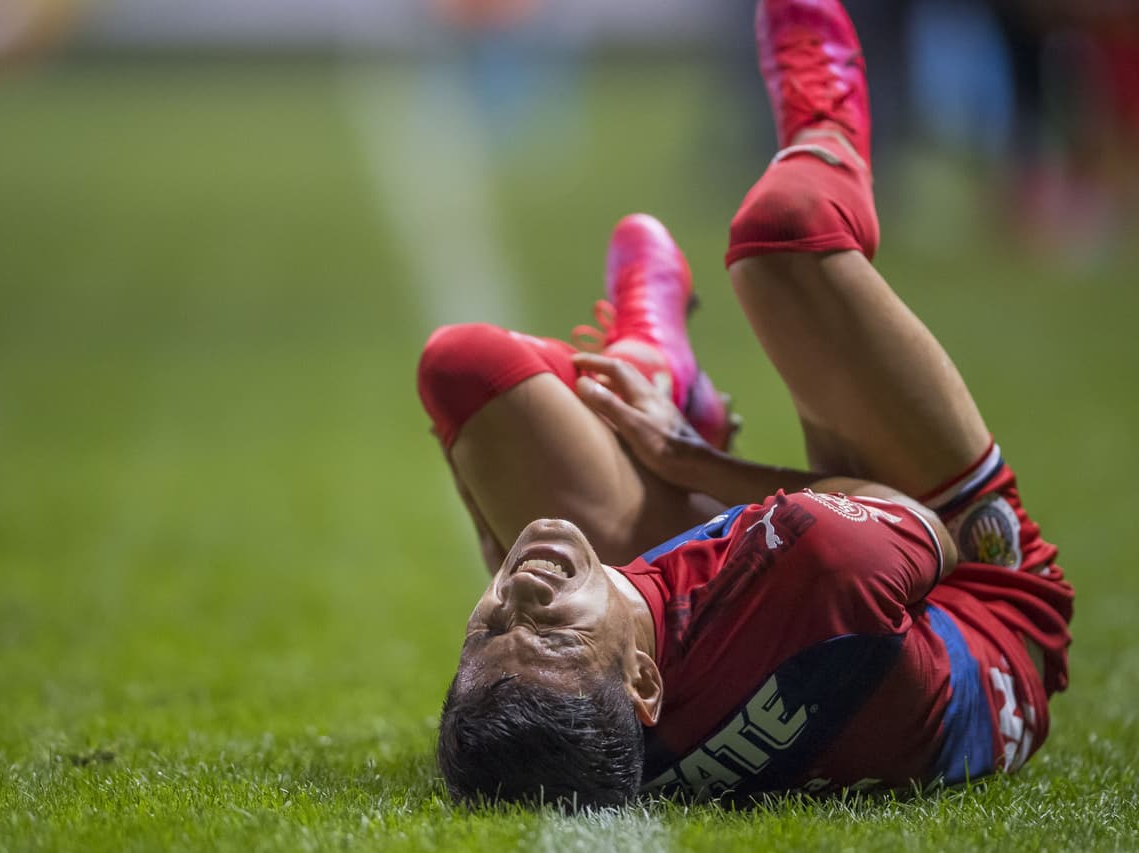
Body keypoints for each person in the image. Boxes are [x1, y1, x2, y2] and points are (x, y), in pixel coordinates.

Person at [416, 0, 1074, 808]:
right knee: (784, 238)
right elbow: (912, 523)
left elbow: (543, 650)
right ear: (645, 680)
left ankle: (654, 364)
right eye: (547, 627)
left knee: (463, 371)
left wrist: (507, 547)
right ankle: (825, 122)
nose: (518, 595)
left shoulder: (586, 716)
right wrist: (683, 456)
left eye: (488, 628)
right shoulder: (816, 556)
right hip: (971, 595)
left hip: (788, 613)